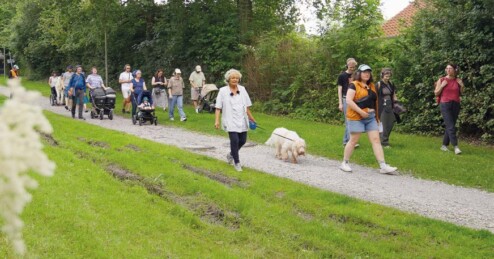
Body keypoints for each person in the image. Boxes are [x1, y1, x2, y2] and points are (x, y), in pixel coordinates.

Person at [340, 64, 397, 174]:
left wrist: (376, 117)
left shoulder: (372, 86)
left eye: (368, 72)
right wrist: (361, 112)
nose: (367, 74)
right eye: (364, 72)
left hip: (370, 118)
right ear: (359, 73)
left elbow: (375, 102)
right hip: (356, 117)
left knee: (376, 140)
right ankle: (345, 162)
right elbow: (349, 101)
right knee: (353, 141)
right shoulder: (353, 85)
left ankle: (383, 166)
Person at [215, 69, 256, 172]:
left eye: (237, 78)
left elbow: (246, 106)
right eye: (233, 78)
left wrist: (251, 117)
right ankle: (237, 162)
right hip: (230, 120)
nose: (235, 79)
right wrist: (217, 121)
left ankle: (231, 154)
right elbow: (218, 107)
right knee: (235, 140)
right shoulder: (223, 91)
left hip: (242, 119)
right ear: (228, 79)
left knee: (243, 140)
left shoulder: (242, 89)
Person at [434, 63, 464, 155]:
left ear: (455, 70)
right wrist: (442, 86)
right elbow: (436, 93)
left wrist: (462, 85)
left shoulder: (458, 80)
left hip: (455, 104)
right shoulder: (442, 79)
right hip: (445, 104)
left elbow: (461, 93)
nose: (448, 70)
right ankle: (456, 146)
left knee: (450, 125)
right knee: (451, 126)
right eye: (447, 68)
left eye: (450, 68)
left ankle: (444, 145)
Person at [338, 58, 359, 148]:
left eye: (354, 67)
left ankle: (351, 140)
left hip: (355, 100)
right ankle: (346, 141)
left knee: (354, 120)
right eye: (350, 67)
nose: (352, 69)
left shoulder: (356, 75)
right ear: (347, 65)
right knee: (348, 120)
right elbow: (339, 90)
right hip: (345, 99)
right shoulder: (342, 76)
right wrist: (340, 103)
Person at [377, 68, 398, 147]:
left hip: (390, 105)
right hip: (382, 106)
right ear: (382, 75)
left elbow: (393, 94)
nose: (387, 78)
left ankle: (383, 139)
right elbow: (375, 96)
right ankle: (384, 142)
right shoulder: (379, 84)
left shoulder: (391, 83)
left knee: (390, 123)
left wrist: (396, 102)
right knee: (384, 124)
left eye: (389, 76)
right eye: (386, 76)